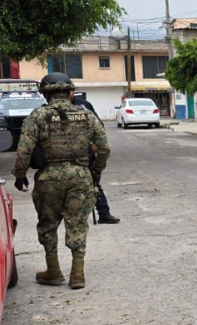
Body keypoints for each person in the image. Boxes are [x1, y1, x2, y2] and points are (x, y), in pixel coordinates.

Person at [12, 72, 111, 289]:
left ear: (45, 94)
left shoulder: (37, 116)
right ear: (70, 92)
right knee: (77, 224)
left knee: (48, 224)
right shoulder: (87, 115)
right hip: (81, 177)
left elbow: (23, 151)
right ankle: (78, 274)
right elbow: (104, 147)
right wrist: (96, 171)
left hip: (49, 179)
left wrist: (20, 175)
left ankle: (54, 271)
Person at [71, 92, 120, 224]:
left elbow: (99, 126)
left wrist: (95, 143)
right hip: (62, 155)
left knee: (94, 183)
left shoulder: (84, 106)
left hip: (85, 153)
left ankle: (104, 213)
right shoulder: (49, 108)